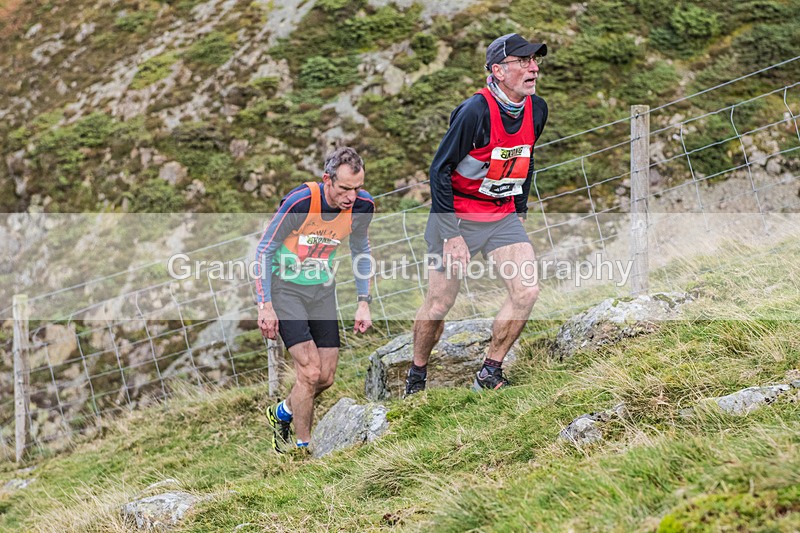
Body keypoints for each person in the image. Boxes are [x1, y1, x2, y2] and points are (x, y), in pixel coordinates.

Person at [406, 33, 549, 395]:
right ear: (499, 70)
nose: (533, 68)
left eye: (535, 61)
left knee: (527, 291)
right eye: (524, 62)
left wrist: (519, 209)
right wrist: (450, 233)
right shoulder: (475, 111)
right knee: (439, 303)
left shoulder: (538, 108)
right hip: (457, 219)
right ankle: (417, 377)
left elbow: (525, 159)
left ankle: (489, 371)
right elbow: (439, 170)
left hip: (501, 217)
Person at [255, 147, 374, 453]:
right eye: (345, 188)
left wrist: (364, 301)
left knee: (326, 377)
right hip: (285, 289)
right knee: (308, 372)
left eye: (357, 188)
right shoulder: (302, 201)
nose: (351, 196)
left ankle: (281, 413)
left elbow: (361, 251)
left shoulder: (362, 207)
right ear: (327, 180)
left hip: (321, 290)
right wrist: (265, 304)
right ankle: (302, 447)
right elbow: (264, 250)